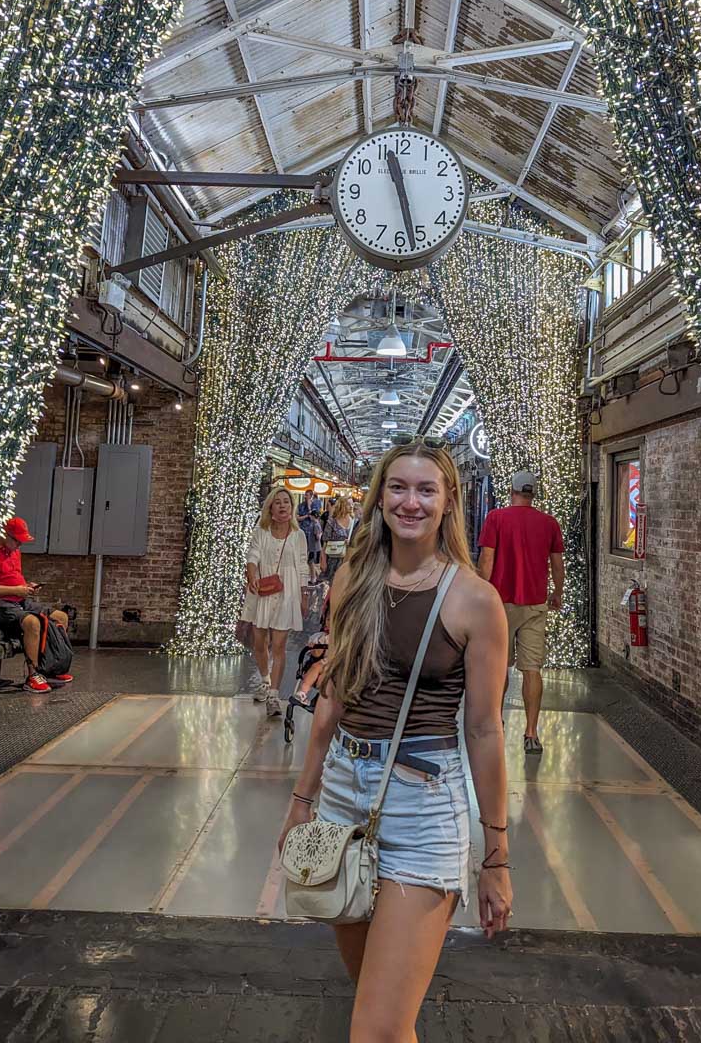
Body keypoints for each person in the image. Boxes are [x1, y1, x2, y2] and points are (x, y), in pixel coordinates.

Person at [278, 439, 512, 1043]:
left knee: (377, 1029)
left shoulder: (475, 600)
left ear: (448, 501)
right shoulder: (353, 575)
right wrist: (302, 801)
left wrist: (496, 857)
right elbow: (333, 693)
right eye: (399, 487)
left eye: (426, 489)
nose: (411, 502)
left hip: (424, 804)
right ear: (380, 496)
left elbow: (484, 730)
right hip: (341, 795)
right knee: (380, 1015)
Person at [477, 470, 564, 755]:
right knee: (532, 669)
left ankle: (496, 722)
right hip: (536, 604)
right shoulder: (549, 523)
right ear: (533, 493)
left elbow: (487, 559)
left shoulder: (496, 518)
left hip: (500, 604)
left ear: (511, 490)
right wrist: (557, 593)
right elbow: (557, 565)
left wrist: (481, 592)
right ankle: (531, 733)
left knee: (499, 666)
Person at [0, 517, 73, 694]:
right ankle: (33, 675)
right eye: (17, 540)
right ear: (4, 535)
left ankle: (53, 666)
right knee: (32, 623)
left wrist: (25, 588)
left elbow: (14, 578)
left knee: (60, 617)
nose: (19, 545)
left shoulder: (15, 552)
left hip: (19, 599)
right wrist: (16, 590)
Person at [246, 488, 309, 718]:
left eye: (287, 502)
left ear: (291, 508)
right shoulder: (260, 531)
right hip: (262, 589)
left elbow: (302, 565)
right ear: (270, 508)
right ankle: (264, 680)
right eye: (278, 502)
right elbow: (252, 555)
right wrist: (252, 575)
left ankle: (273, 696)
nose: (283, 506)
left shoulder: (298, 535)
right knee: (259, 642)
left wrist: (303, 595)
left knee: (279, 646)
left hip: (287, 592)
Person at [320, 494, 356, 584]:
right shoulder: (332, 522)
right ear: (342, 505)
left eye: (352, 504)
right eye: (348, 504)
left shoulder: (354, 521)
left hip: (348, 559)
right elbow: (324, 544)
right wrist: (323, 560)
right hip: (333, 560)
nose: (351, 506)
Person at [297, 488, 323, 583]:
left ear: (311, 496)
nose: (305, 497)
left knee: (311, 559)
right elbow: (298, 517)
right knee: (305, 557)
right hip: (303, 532)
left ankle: (313, 576)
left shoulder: (316, 504)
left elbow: (315, 515)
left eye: (307, 495)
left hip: (312, 538)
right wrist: (306, 516)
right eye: (305, 495)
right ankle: (311, 575)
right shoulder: (300, 506)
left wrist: (309, 506)